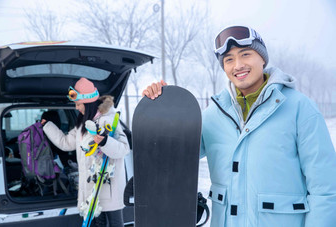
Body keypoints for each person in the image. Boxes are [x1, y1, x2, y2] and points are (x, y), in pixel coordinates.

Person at [142, 25, 336, 227]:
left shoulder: (299, 109)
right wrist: (163, 108)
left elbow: (325, 189)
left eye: (245, 54)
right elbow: (176, 154)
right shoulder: (212, 115)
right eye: (229, 60)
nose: (238, 65)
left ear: (262, 58)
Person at [42, 77, 130, 227]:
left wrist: (104, 142)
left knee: (115, 224)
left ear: (88, 103)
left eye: (78, 104)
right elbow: (65, 143)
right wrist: (47, 126)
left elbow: (123, 149)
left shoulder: (107, 120)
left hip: (108, 188)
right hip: (91, 190)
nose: (76, 108)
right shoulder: (83, 124)